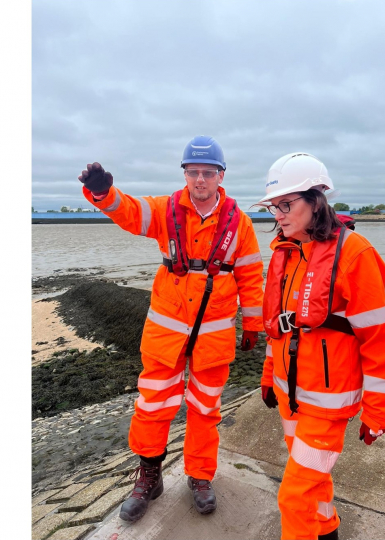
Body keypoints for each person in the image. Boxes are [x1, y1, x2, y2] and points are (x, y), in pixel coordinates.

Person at [76, 136, 264, 522]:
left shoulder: (239, 222)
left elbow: (250, 274)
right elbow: (127, 211)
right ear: (185, 174)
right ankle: (149, 476)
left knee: (205, 408)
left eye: (207, 172)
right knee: (152, 406)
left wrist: (255, 324)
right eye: (193, 172)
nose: (199, 180)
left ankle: (199, 476)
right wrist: (103, 193)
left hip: (214, 335)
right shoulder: (165, 210)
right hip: (166, 332)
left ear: (220, 175)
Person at [256, 153, 385, 540]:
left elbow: (380, 342)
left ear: (316, 198)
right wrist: (270, 375)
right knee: (313, 485)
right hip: (291, 397)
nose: (279, 215)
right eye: (275, 207)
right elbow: (279, 327)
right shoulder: (284, 253)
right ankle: (327, 532)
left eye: (287, 205)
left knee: (294, 496)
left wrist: (377, 412)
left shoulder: (355, 254)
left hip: (328, 402)